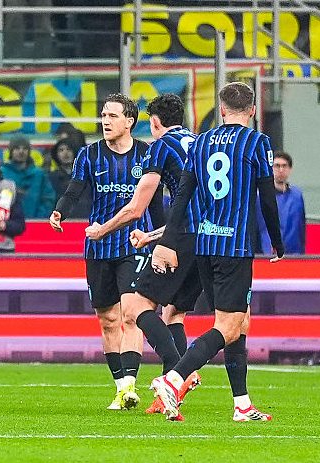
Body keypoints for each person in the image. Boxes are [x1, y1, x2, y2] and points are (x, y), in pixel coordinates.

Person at [151, 82, 284, 422]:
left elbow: (182, 196)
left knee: (239, 322)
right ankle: (173, 379)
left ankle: (242, 405)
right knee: (229, 325)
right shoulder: (257, 142)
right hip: (234, 246)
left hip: (205, 244)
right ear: (252, 110)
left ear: (221, 109)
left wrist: (167, 240)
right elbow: (267, 198)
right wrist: (277, 241)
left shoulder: (201, 142)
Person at [84, 94, 202, 417]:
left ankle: (179, 372)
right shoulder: (199, 142)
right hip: (209, 239)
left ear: (153, 122)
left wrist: (102, 230)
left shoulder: (160, 146)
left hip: (181, 240)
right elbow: (193, 207)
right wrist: (150, 236)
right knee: (174, 313)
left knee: (136, 307)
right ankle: (169, 395)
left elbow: (136, 209)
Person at [49, 93, 165, 411]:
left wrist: (162, 238)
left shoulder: (148, 154)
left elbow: (155, 202)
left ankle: (130, 384)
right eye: (103, 115)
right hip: (98, 246)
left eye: (113, 115)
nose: (105, 121)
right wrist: (60, 211)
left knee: (131, 314)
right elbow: (74, 190)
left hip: (134, 244)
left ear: (129, 121)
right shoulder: (89, 155)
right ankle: (120, 388)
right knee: (108, 319)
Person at [256, 151, 306, 255]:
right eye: (277, 166)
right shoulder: (260, 196)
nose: (281, 170)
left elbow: (301, 226)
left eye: (284, 166)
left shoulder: (297, 196)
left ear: (290, 169)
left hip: (294, 255)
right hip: (267, 254)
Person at [0, 136, 55, 218]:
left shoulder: (39, 174)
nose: (21, 151)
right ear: (11, 151)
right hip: (8, 222)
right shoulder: (2, 173)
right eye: (17, 148)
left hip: (36, 222)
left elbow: (48, 199)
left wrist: (39, 218)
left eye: (25, 148)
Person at [48, 139, 91, 219]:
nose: (65, 153)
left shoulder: (86, 176)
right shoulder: (51, 177)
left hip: (84, 219)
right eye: (61, 150)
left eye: (69, 149)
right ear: (56, 155)